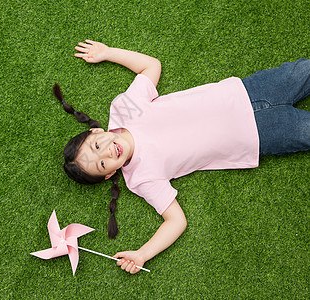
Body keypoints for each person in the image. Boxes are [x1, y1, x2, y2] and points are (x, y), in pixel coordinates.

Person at [54, 39, 310, 274]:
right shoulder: (141, 179)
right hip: (257, 135)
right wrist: (143, 254)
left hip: (245, 92)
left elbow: (150, 66)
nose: (108, 152)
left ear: (96, 131)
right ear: (109, 173)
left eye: (97, 145)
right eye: (102, 164)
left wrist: (109, 53)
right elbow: (176, 221)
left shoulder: (124, 109)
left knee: (303, 71)